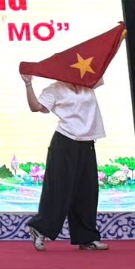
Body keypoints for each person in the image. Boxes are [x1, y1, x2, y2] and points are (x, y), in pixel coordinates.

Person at [22, 73, 109, 251]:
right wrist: (28, 84)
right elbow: (36, 107)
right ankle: (39, 228)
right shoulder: (55, 89)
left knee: (87, 190)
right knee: (59, 188)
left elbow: (100, 71)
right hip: (65, 142)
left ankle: (87, 238)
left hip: (87, 143)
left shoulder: (87, 83)